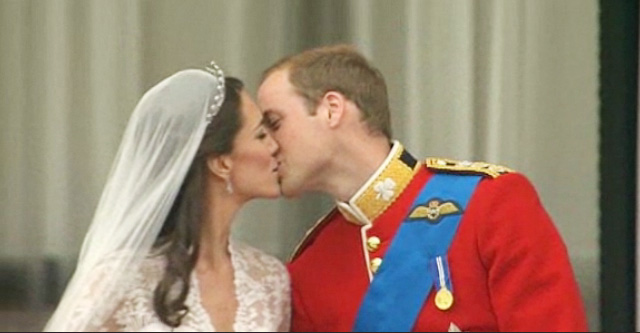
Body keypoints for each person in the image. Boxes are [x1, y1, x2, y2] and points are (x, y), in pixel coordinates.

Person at [257, 44, 588, 332]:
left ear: (332, 109)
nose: (267, 145)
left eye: (274, 123)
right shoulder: (311, 267)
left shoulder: (489, 203)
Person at [44, 63, 290, 332]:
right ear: (221, 163)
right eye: (261, 135)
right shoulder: (121, 279)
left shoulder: (269, 279)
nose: (275, 146)